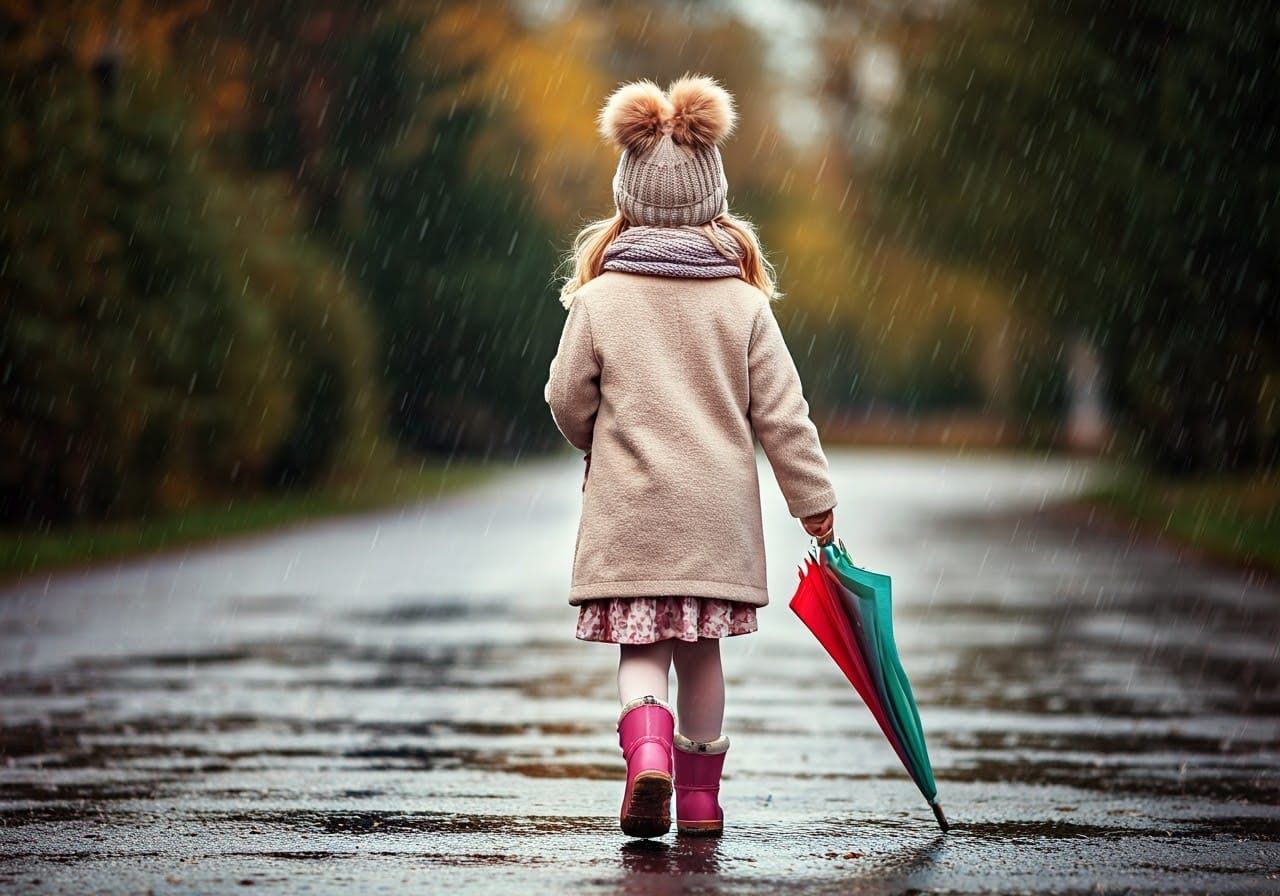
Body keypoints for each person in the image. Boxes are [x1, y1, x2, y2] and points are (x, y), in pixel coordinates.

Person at [544, 74, 837, 839]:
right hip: (713, 527)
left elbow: (564, 397)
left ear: (627, 196)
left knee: (643, 650)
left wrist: (596, 440)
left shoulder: (600, 299)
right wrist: (816, 506)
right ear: (715, 196)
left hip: (633, 516)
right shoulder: (744, 305)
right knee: (702, 657)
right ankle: (702, 803)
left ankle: (648, 760)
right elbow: (784, 417)